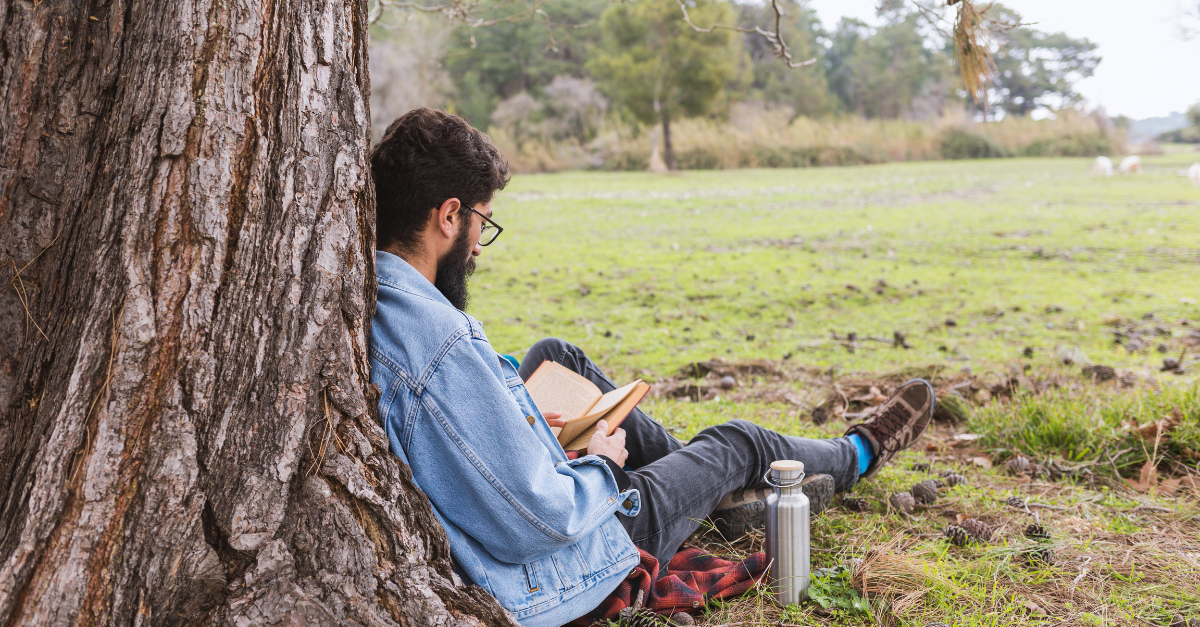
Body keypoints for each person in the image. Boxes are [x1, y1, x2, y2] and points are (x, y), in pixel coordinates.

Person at [368, 108, 936, 627]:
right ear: (449, 215)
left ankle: (714, 497)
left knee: (557, 355)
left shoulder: (381, 299)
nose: (478, 247)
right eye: (482, 223)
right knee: (735, 443)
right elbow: (542, 519)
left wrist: (521, 414)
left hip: (547, 510)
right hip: (584, 549)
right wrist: (602, 465)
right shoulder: (442, 345)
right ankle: (860, 452)